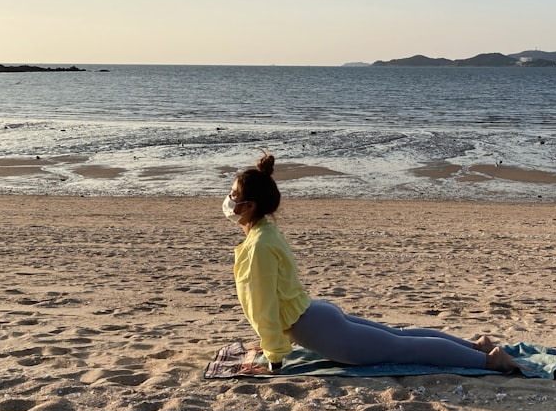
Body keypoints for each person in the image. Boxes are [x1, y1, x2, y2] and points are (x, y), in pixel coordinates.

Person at [223, 153, 521, 375]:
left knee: (402, 348)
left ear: (250, 206)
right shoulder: (266, 233)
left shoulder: (259, 245)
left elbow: (263, 307)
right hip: (317, 315)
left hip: (317, 328)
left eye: (234, 195)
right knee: (399, 338)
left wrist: (274, 357)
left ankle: (488, 360)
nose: (229, 200)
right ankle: (477, 346)